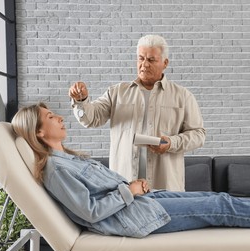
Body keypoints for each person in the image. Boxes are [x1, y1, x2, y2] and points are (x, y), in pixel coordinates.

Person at [11, 102, 250, 238]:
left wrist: (133, 187)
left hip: (143, 202)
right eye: (50, 117)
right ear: (39, 132)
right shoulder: (55, 169)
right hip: (135, 216)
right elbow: (89, 210)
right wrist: (130, 190)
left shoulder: (67, 158)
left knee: (217, 197)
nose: (58, 117)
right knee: (221, 206)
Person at [68, 35, 206, 191]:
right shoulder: (117, 92)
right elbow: (91, 119)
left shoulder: (183, 96)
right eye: (140, 59)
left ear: (165, 63)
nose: (144, 65)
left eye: (151, 60)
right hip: (125, 189)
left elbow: (198, 135)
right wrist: (81, 101)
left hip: (165, 187)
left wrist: (171, 143)